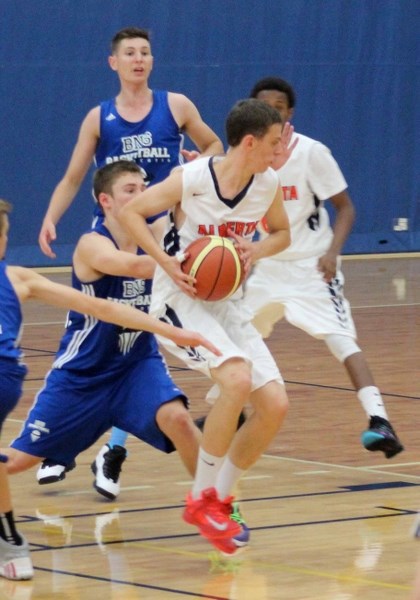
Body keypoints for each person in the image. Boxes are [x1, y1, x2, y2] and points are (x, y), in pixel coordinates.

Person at [36, 26, 224, 495]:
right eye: (130, 53)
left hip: (163, 234)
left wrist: (193, 165)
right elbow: (74, 174)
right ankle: (64, 442)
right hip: (116, 239)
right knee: (93, 336)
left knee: (142, 340)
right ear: (113, 63)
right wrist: (51, 217)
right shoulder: (99, 118)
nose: (139, 59)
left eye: (145, 52)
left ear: (152, 61)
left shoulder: (176, 105)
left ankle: (114, 449)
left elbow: (216, 149)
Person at [0, 193, 219, 580]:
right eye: (131, 189)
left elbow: (110, 307)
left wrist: (174, 331)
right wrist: (185, 264)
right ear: (106, 200)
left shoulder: (156, 234)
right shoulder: (91, 242)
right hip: (80, 380)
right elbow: (128, 270)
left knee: (179, 420)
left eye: (144, 187)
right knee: (13, 462)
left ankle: (213, 505)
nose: (141, 194)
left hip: (134, 367)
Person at [118, 98, 296, 555]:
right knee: (236, 378)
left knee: (274, 403)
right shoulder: (194, 179)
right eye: (275, 142)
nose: (280, 150)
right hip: (179, 299)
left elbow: (281, 233)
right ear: (251, 142)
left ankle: (223, 497)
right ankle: (200, 499)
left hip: (227, 304)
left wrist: (255, 251)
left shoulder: (267, 183)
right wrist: (166, 264)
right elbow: (130, 212)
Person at [241, 76, 403, 458]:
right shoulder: (248, 155)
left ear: (289, 113)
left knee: (340, 338)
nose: (271, 112)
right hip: (266, 267)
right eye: (264, 106)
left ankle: (379, 420)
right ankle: (229, 414)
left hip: (310, 268)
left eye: (278, 107)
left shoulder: (311, 152)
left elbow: (345, 207)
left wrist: (332, 252)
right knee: (236, 338)